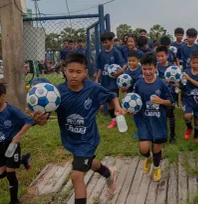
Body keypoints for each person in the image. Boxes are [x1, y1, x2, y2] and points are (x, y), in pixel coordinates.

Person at [31, 53, 124, 204]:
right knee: (89, 161)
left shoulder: (93, 89)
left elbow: (111, 95)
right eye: (71, 71)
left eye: (78, 72)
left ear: (86, 73)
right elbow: (44, 121)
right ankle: (108, 173)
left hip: (88, 140)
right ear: (64, 70)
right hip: (71, 139)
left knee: (76, 176)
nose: (74, 75)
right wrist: (39, 120)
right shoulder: (56, 93)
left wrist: (118, 107)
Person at [0, 80, 33, 204]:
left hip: (12, 144)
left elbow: (28, 122)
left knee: (10, 173)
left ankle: (14, 200)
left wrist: (18, 136)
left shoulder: (12, 110)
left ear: (2, 96)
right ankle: (23, 160)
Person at [133, 52, 174, 182]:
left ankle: (156, 167)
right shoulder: (138, 84)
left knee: (157, 148)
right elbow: (134, 101)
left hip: (158, 121)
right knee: (143, 148)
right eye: (145, 69)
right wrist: (130, 109)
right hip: (144, 120)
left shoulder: (161, 84)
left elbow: (170, 102)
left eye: (150, 69)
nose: (148, 72)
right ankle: (148, 157)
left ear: (155, 68)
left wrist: (161, 101)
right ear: (142, 69)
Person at [95, 31, 126, 129]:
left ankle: (119, 118)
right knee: (108, 101)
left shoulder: (116, 52)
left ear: (111, 41)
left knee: (114, 99)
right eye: (103, 42)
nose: (105, 44)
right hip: (105, 82)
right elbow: (100, 68)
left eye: (106, 42)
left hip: (113, 82)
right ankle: (114, 119)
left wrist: (120, 72)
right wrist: (97, 79)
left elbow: (124, 65)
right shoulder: (101, 54)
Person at [178, 51, 198, 142]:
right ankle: (189, 128)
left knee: (197, 120)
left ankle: (196, 137)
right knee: (187, 116)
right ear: (190, 62)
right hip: (188, 98)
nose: (195, 65)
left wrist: (189, 78)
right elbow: (182, 86)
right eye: (193, 63)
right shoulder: (186, 71)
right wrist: (174, 84)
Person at [156, 46, 177, 143]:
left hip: (170, 94)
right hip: (159, 94)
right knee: (160, 114)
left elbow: (178, 82)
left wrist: (171, 82)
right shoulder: (155, 67)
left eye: (162, 56)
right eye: (158, 56)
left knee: (170, 114)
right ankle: (161, 134)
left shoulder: (173, 68)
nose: (160, 58)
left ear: (167, 56)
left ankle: (172, 135)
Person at [123, 51, 142, 139]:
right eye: (129, 61)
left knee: (144, 113)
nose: (131, 63)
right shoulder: (127, 72)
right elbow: (124, 85)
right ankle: (139, 130)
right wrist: (123, 88)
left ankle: (147, 128)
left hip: (142, 94)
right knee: (136, 114)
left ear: (138, 60)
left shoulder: (141, 70)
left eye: (133, 61)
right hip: (132, 97)